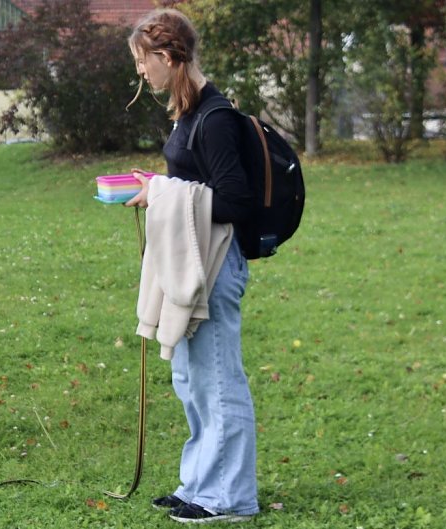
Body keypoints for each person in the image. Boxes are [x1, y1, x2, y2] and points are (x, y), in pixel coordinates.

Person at [124, 8, 260, 524]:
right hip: (193, 260)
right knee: (191, 380)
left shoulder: (216, 117)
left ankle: (230, 498)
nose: (141, 72)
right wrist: (157, 184)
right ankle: (200, 486)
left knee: (218, 381)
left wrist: (161, 192)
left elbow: (237, 202)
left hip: (216, 265)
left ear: (167, 56)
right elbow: (195, 181)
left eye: (143, 61)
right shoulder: (190, 111)